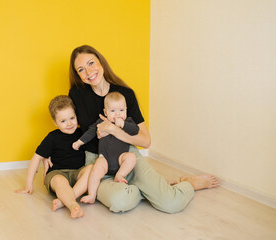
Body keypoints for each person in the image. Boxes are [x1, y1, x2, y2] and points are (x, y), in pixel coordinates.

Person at [68, 45, 220, 214]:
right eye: (81, 69)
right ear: (78, 75)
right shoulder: (76, 95)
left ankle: (188, 184)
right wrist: (47, 152)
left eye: (91, 63)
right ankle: (157, 186)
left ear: (101, 62)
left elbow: (145, 140)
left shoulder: (125, 94)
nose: (89, 72)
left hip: (126, 156)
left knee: (171, 203)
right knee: (119, 201)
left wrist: (114, 130)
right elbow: (69, 126)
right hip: (97, 162)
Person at [15, 95, 92, 219]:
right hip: (57, 173)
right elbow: (36, 158)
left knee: (91, 169)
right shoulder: (52, 137)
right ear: (55, 123)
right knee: (59, 181)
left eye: (72, 118)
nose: (69, 123)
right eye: (63, 121)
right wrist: (28, 184)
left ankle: (63, 201)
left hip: (77, 173)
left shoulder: (82, 134)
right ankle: (73, 205)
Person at [73, 92, 139, 204]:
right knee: (95, 170)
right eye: (113, 111)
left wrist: (123, 124)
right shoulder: (101, 122)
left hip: (120, 159)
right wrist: (79, 142)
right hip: (105, 159)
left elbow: (135, 130)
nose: (117, 114)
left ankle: (120, 175)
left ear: (126, 110)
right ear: (105, 112)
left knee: (131, 157)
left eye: (121, 110)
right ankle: (91, 195)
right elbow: (90, 132)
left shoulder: (127, 122)